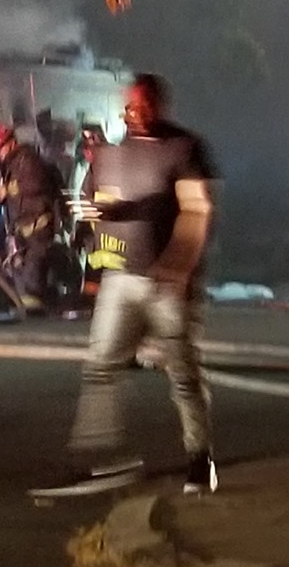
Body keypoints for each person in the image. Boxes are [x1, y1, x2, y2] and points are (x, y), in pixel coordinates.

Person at [42, 73, 221, 495]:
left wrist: (179, 267)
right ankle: (97, 459)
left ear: (161, 105)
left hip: (168, 285)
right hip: (120, 280)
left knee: (183, 375)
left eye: (143, 108)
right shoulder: (112, 154)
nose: (135, 116)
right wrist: (93, 212)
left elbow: (197, 210)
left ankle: (200, 460)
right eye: (129, 109)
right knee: (101, 366)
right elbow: (100, 204)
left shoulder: (184, 148)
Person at [0, 121, 63, 311]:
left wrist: (8, 189)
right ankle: (28, 317)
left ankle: (35, 322)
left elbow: (34, 184)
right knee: (20, 281)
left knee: (32, 282)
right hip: (21, 234)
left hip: (37, 232)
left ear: (10, 142)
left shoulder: (28, 159)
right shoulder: (10, 165)